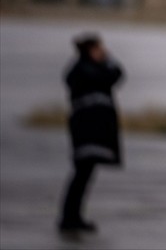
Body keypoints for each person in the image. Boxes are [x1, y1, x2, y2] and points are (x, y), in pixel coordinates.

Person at [58, 32, 124, 234]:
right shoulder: (82, 70)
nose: (102, 52)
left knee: (84, 175)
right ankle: (69, 218)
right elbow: (110, 76)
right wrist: (108, 61)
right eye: (98, 49)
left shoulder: (89, 68)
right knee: (81, 173)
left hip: (93, 130)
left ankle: (74, 216)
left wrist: (107, 60)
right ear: (89, 50)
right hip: (85, 129)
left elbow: (117, 75)